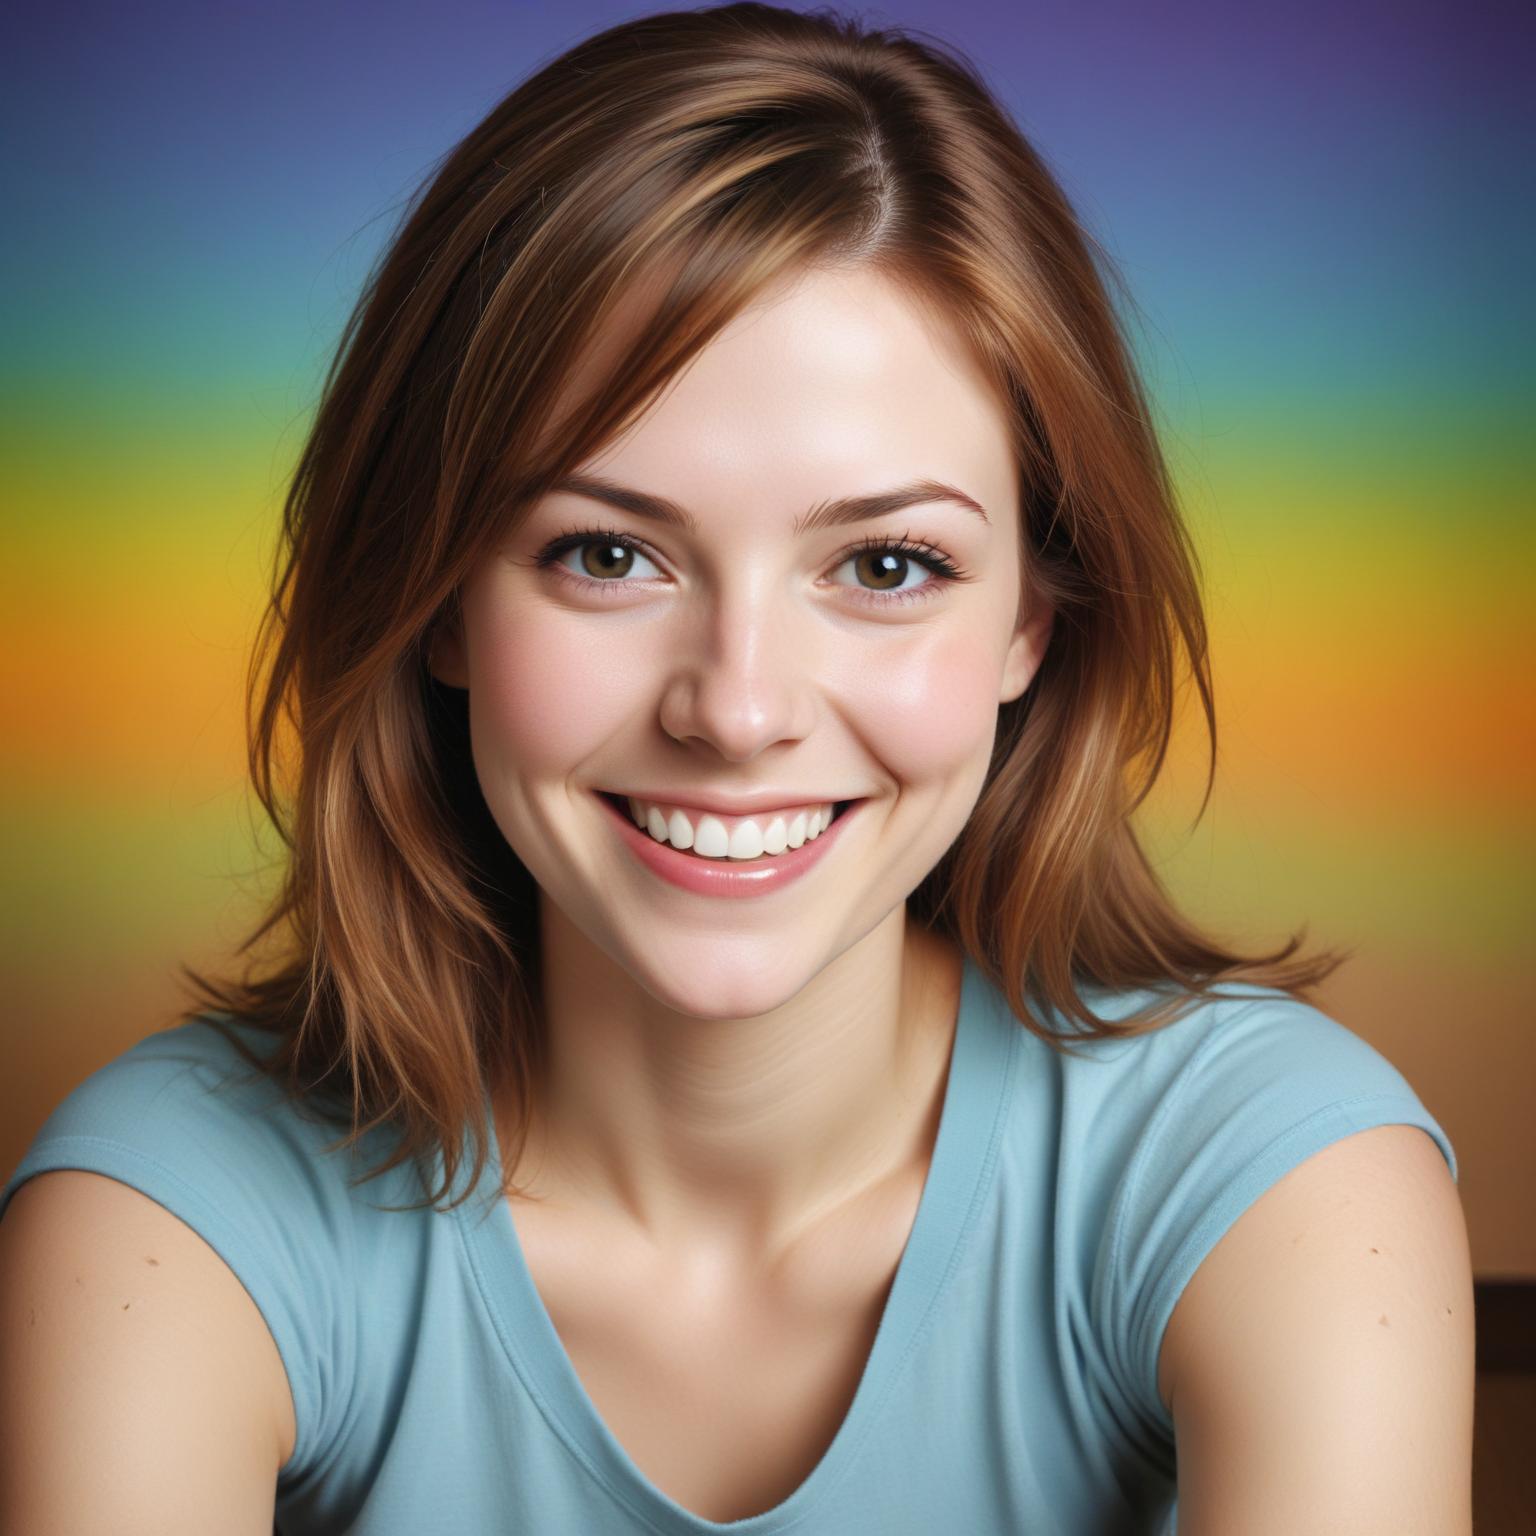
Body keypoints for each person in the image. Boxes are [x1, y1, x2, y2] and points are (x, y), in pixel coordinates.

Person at [0, 5, 1474, 1533]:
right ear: (437, 599)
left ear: (1032, 621)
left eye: (889, 563)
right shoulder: (164, 1222)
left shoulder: (1288, 1187)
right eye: (608, 552)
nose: (740, 706)